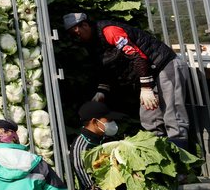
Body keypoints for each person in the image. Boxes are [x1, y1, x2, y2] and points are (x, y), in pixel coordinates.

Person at [61, 12, 190, 151]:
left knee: (173, 115)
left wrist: (146, 88)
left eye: (77, 34)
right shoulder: (92, 43)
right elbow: (107, 67)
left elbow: (137, 57)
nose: (76, 38)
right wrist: (101, 91)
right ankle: (160, 157)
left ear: (85, 25)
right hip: (148, 73)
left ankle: (182, 160)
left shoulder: (110, 31)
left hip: (164, 65)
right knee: (149, 119)